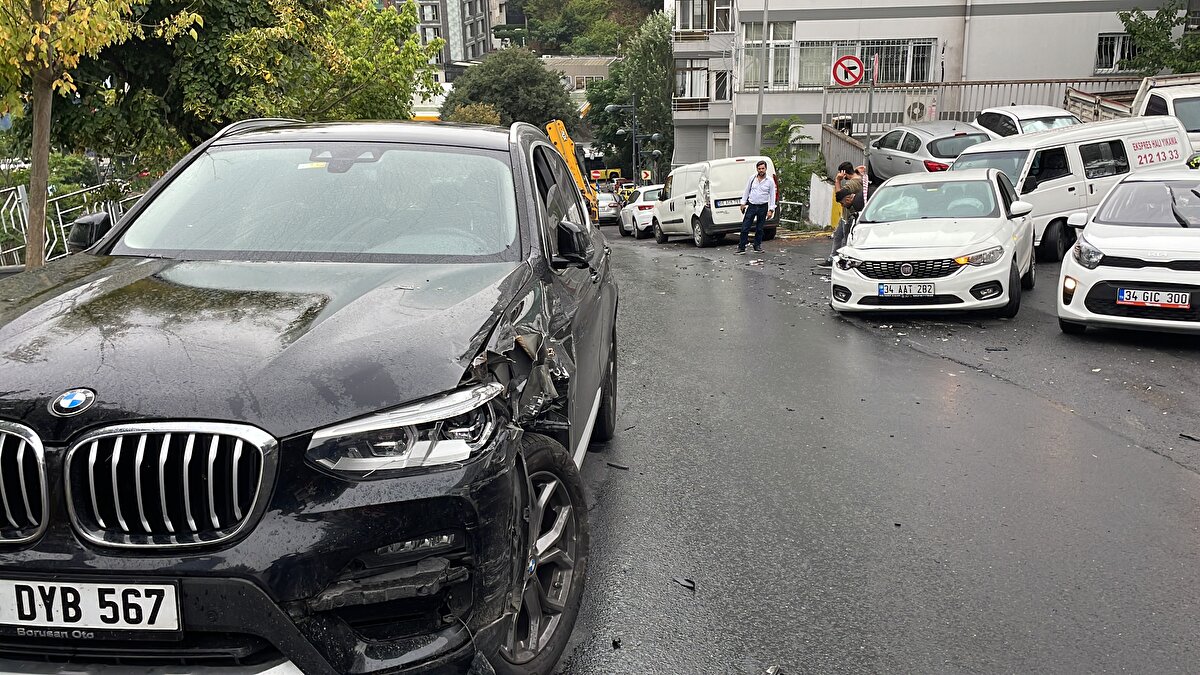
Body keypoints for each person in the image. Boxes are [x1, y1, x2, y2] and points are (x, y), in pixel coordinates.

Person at [821, 162, 864, 266]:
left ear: (844, 173)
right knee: (837, 235)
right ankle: (833, 258)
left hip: (849, 215)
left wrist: (837, 181)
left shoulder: (852, 183)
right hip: (845, 215)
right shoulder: (859, 178)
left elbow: (839, 196)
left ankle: (844, 260)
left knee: (846, 238)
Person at [737, 160, 776, 254]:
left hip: (763, 206)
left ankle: (757, 246)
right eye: (759, 169)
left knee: (759, 228)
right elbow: (747, 190)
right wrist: (743, 203)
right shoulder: (752, 179)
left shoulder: (770, 181)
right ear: (757, 169)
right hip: (752, 205)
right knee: (745, 227)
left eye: (763, 168)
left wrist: (771, 209)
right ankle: (741, 247)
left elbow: (772, 195)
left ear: (766, 169)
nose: (761, 170)